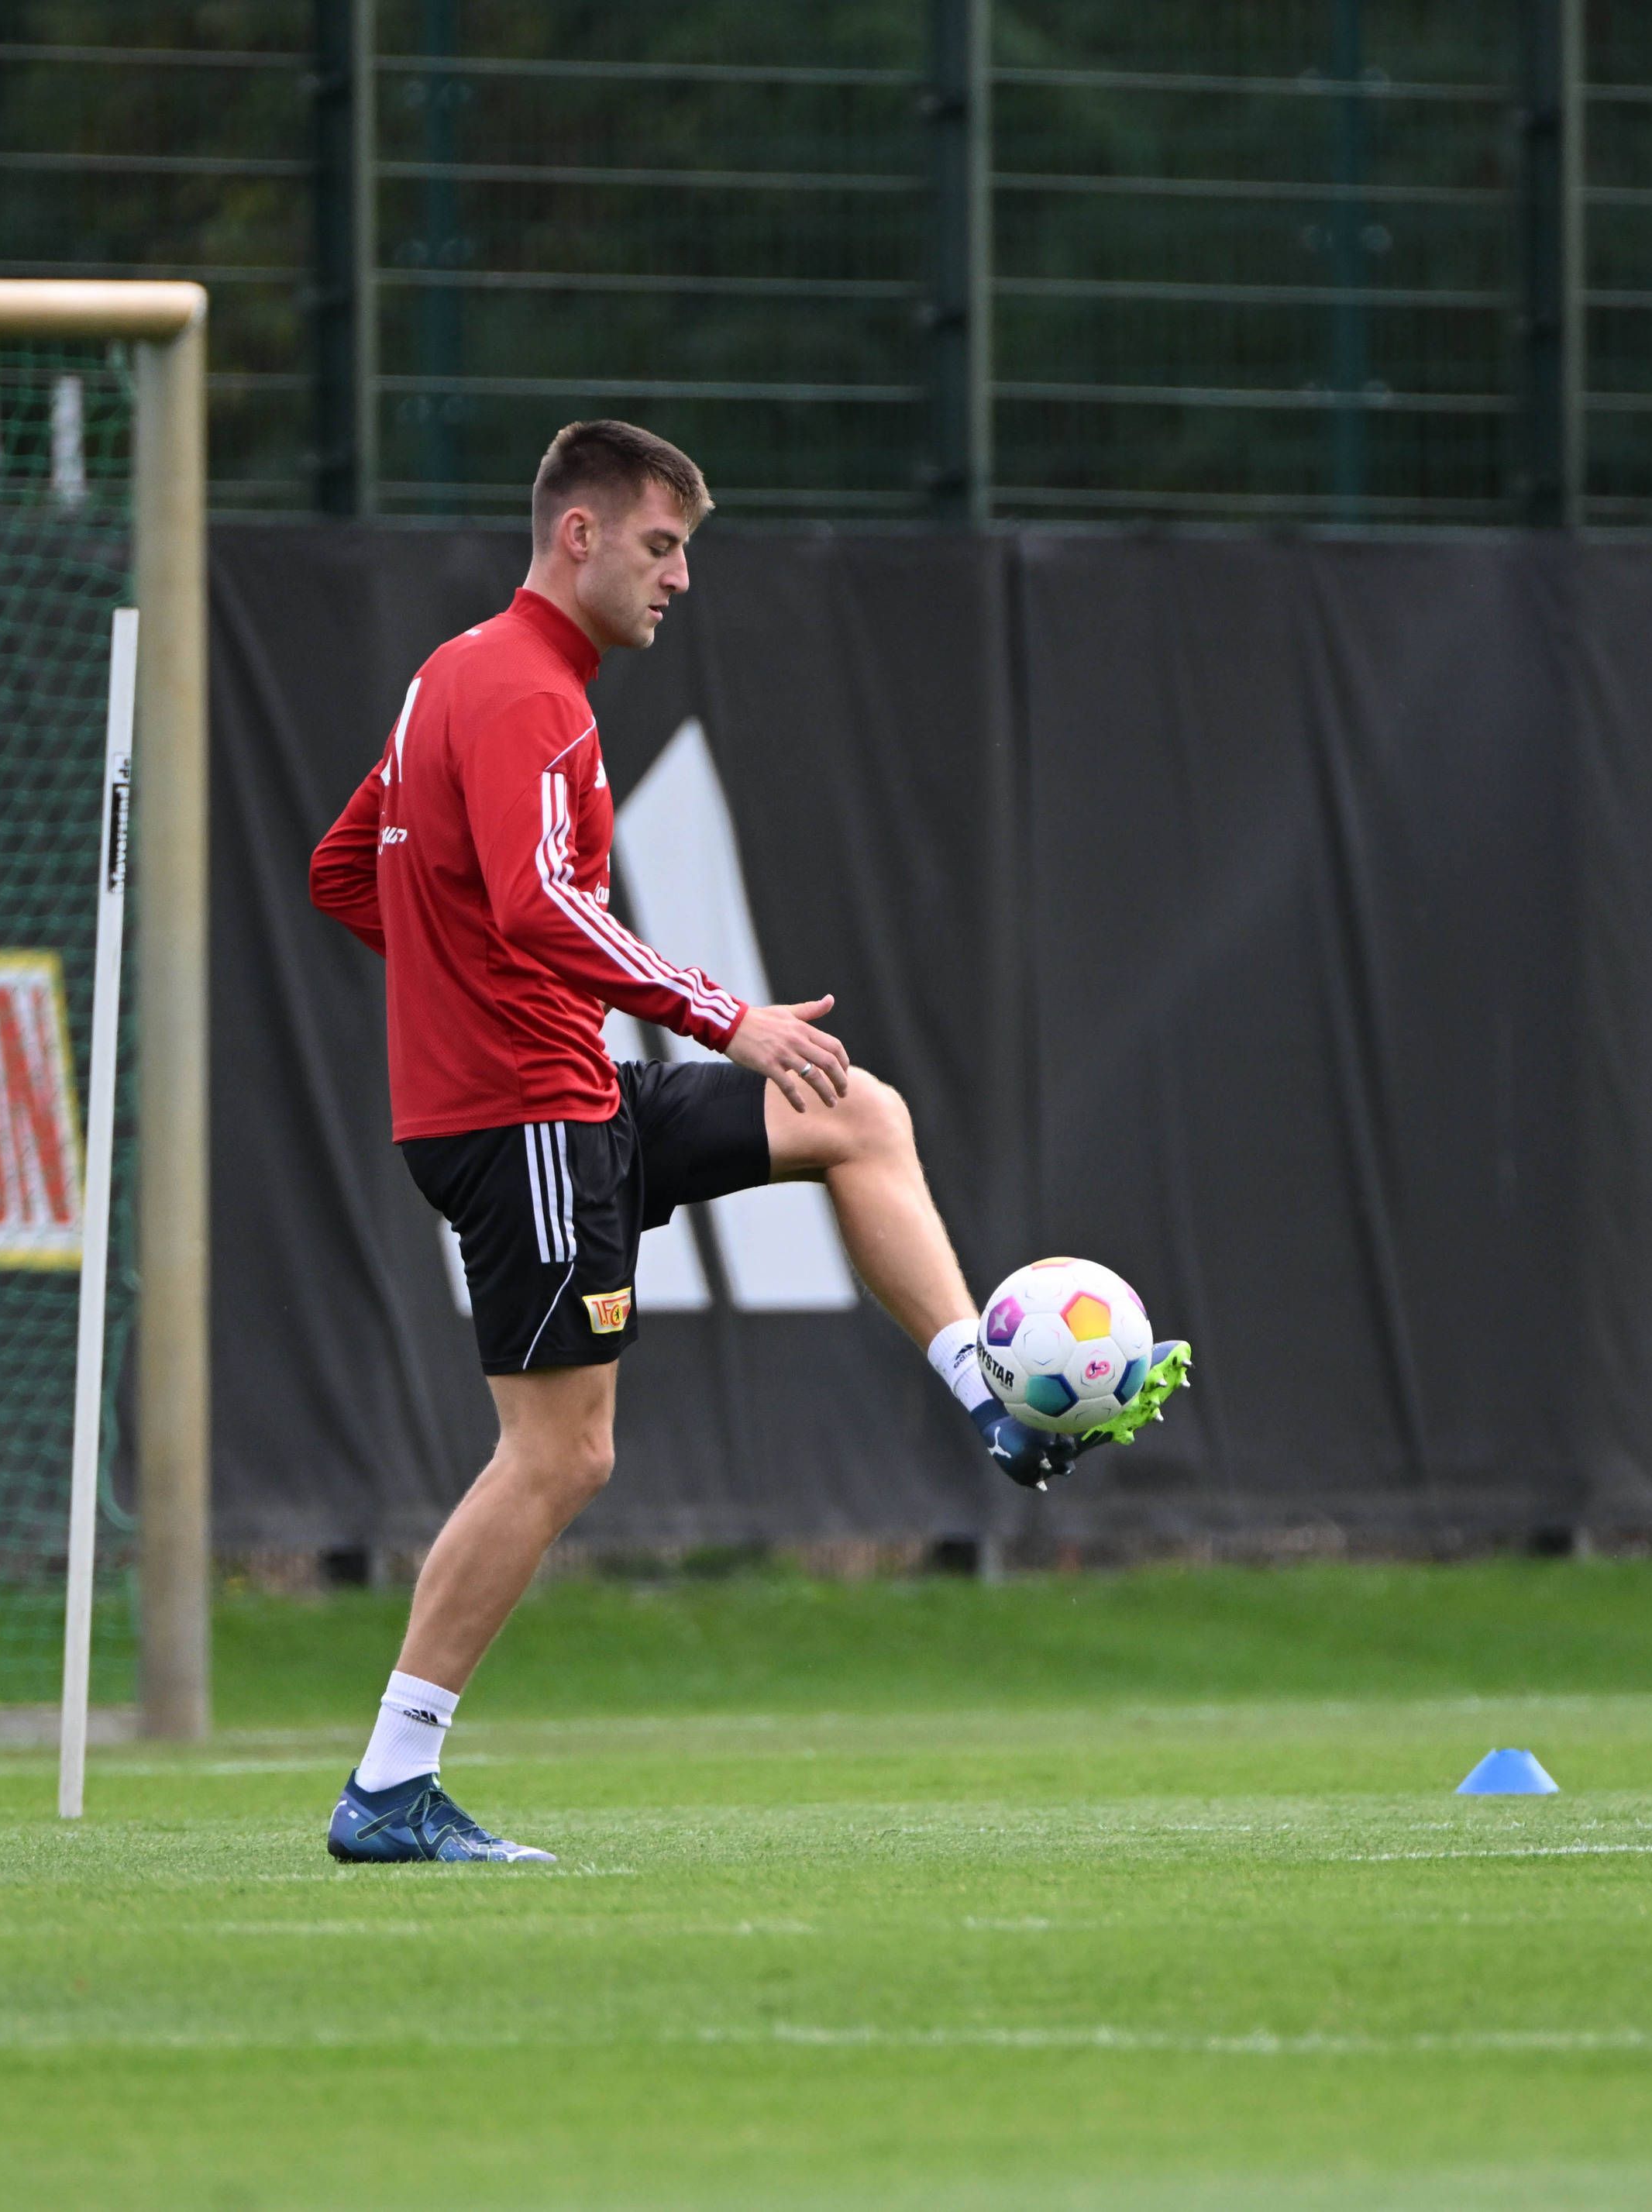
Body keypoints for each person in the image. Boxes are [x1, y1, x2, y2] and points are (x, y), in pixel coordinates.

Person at [305, 421, 1120, 1864]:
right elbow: (538, 908)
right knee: (561, 1457)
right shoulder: (521, 695)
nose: (680, 577)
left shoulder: (461, 675)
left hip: (567, 1092)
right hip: (525, 1117)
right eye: (661, 545)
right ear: (579, 536)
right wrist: (721, 1016)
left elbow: (345, 871)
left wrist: (467, 983)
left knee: (858, 1113)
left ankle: (986, 1392)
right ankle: (387, 1787)